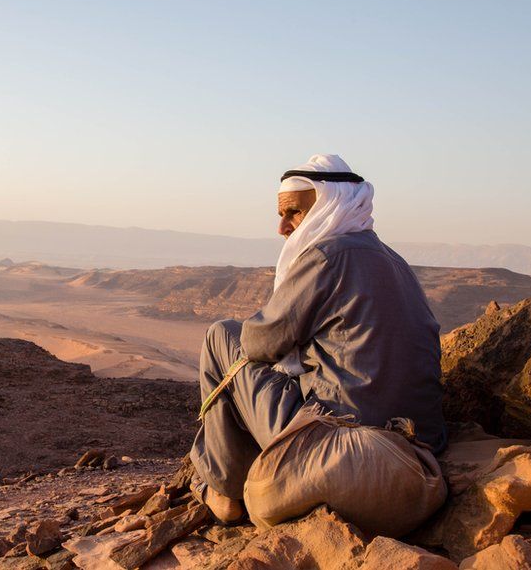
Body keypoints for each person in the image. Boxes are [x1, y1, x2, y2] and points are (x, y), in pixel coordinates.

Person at [189, 154, 447, 523]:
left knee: (222, 336)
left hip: (340, 435)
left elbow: (259, 344)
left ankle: (225, 489)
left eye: (292, 212)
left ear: (329, 204)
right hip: (421, 441)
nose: (282, 227)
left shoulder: (326, 256)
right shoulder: (394, 260)